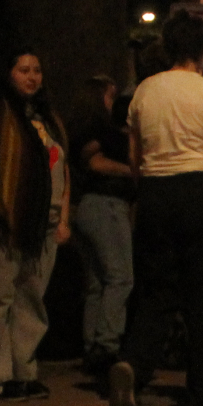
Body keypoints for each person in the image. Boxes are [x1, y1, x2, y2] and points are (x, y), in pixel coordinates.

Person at [110, 9, 203, 406]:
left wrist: (146, 191)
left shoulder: (144, 92)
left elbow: (134, 158)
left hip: (155, 192)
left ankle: (134, 362)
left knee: (156, 291)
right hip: (199, 191)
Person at [0, 47, 71, 400]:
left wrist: (64, 217)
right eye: (23, 69)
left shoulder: (46, 118)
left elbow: (63, 169)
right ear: (8, 73)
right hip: (4, 219)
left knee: (31, 296)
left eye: (37, 70)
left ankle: (23, 369)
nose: (32, 76)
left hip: (44, 221)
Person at [68, 75, 136, 375]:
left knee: (97, 282)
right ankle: (106, 345)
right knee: (120, 277)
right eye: (110, 94)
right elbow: (94, 162)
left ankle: (91, 345)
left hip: (88, 206)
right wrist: (133, 172)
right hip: (106, 204)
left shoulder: (80, 128)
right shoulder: (100, 131)